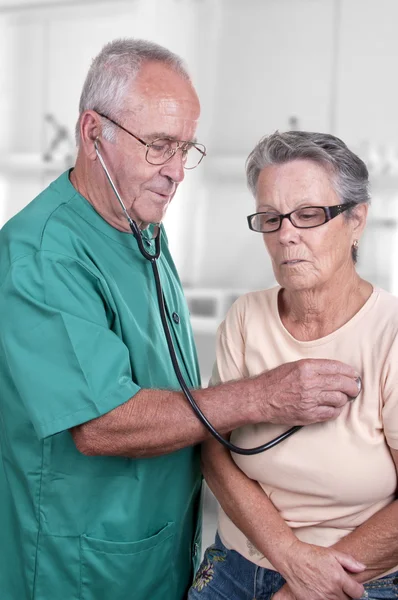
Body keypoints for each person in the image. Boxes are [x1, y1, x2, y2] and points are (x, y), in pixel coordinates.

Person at [0, 41, 363, 600]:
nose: (176, 172)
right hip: (79, 561)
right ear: (94, 133)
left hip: (160, 546)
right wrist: (263, 397)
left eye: (186, 148)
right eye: (160, 146)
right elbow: (102, 424)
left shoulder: (141, 225)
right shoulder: (42, 255)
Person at [189, 131, 398, 600]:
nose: (286, 234)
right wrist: (289, 556)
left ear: (356, 220)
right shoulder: (245, 316)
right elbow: (213, 450)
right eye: (270, 218)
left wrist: (312, 584)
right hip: (236, 563)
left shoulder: (391, 334)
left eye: (309, 215)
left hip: (358, 577)